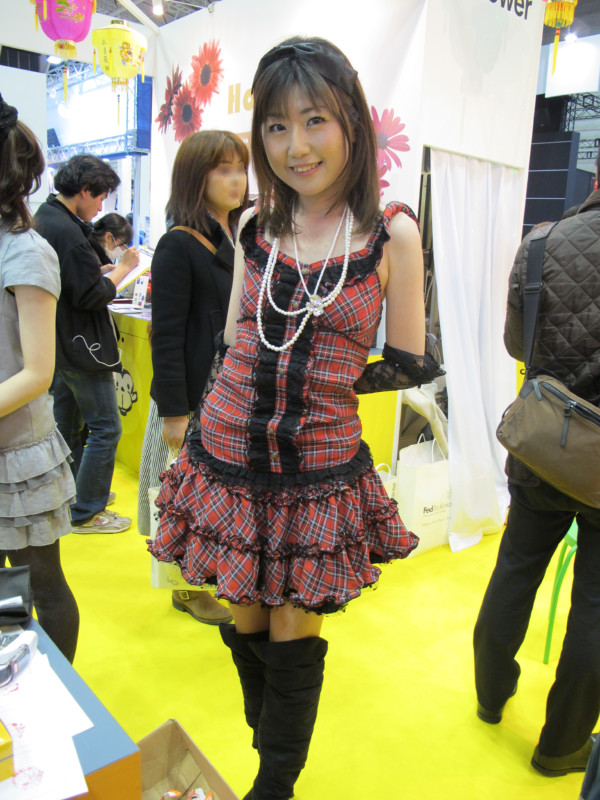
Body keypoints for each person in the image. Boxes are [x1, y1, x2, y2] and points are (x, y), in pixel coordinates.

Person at [149, 37, 443, 800]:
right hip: (225, 456)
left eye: (314, 120)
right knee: (244, 621)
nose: (296, 146)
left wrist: (331, 382)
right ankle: (265, 739)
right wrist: (190, 422)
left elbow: (409, 360)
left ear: (351, 119)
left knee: (293, 631)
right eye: (276, 127)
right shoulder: (254, 224)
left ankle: (275, 781)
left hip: (316, 469)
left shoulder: (391, 233)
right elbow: (233, 338)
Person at [473, 149, 600, 777]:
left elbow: (512, 340)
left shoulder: (543, 242)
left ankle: (491, 697)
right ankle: (562, 747)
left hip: (544, 444)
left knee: (516, 569)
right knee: (597, 605)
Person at [139, 129, 249, 625]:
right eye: (223, 170)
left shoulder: (238, 235)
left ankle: (203, 574)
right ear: (195, 177)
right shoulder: (178, 243)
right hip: (190, 395)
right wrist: (173, 411)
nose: (237, 180)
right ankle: (184, 588)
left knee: (210, 495)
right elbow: (164, 335)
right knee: (180, 494)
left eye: (240, 168)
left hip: (228, 391)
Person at [0, 94, 79, 662]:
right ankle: (14, 676)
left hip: (17, 453)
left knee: (42, 585)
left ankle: (53, 691)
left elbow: (37, 372)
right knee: (6, 591)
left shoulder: (26, 252)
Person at [34, 156, 139, 534]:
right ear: (83, 191)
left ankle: (76, 495)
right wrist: (123, 269)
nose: (100, 207)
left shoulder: (48, 218)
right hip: (81, 345)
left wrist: (97, 272)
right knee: (106, 427)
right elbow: (89, 296)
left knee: (68, 424)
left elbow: (73, 281)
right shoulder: (67, 231)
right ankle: (87, 510)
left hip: (60, 342)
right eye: (100, 198)